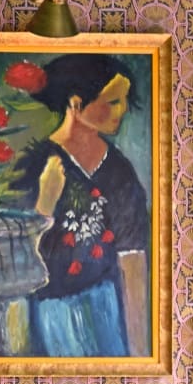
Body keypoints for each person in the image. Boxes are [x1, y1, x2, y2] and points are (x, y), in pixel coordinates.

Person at [14, 54, 150, 358]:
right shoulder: (37, 165)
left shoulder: (119, 171)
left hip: (107, 305)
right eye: (113, 101)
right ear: (76, 104)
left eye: (124, 100)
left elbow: (133, 257)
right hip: (50, 309)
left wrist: (140, 355)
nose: (124, 109)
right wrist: (45, 204)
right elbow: (17, 258)